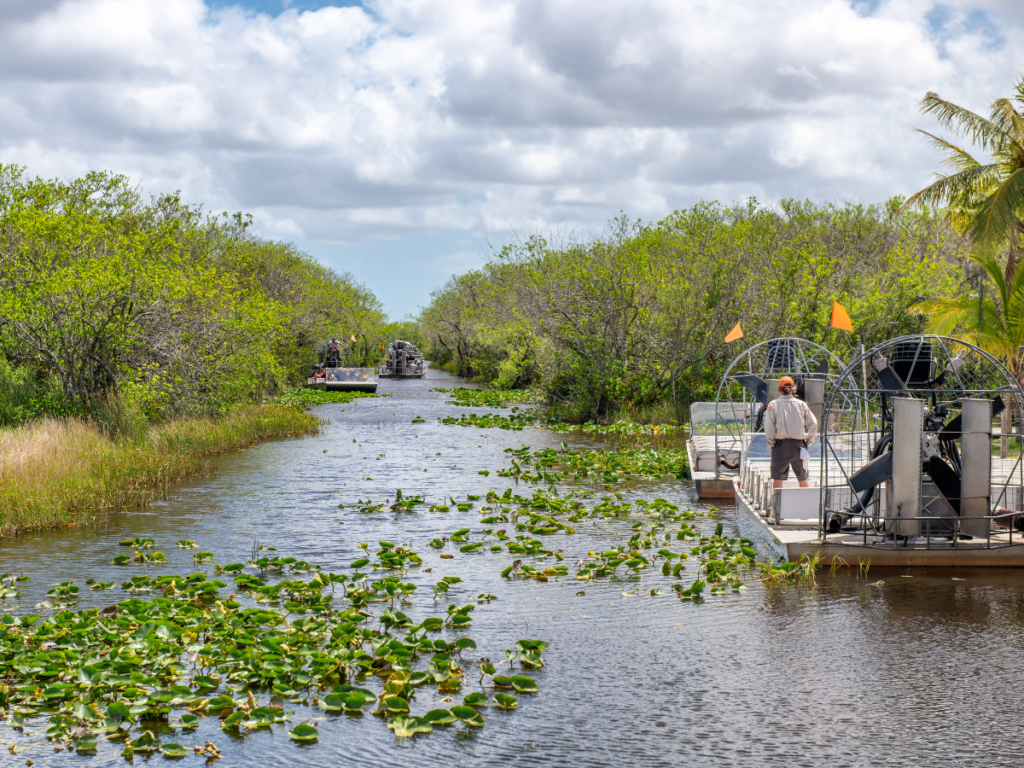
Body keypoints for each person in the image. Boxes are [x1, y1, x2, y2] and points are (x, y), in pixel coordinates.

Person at [764, 376, 818, 489]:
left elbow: (769, 427)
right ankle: (806, 503)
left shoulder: (773, 405)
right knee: (803, 478)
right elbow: (813, 424)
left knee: (778, 479)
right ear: (793, 389)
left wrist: (771, 443)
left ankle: (777, 505)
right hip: (799, 446)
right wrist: (808, 442)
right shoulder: (801, 404)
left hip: (780, 446)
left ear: (779, 389)